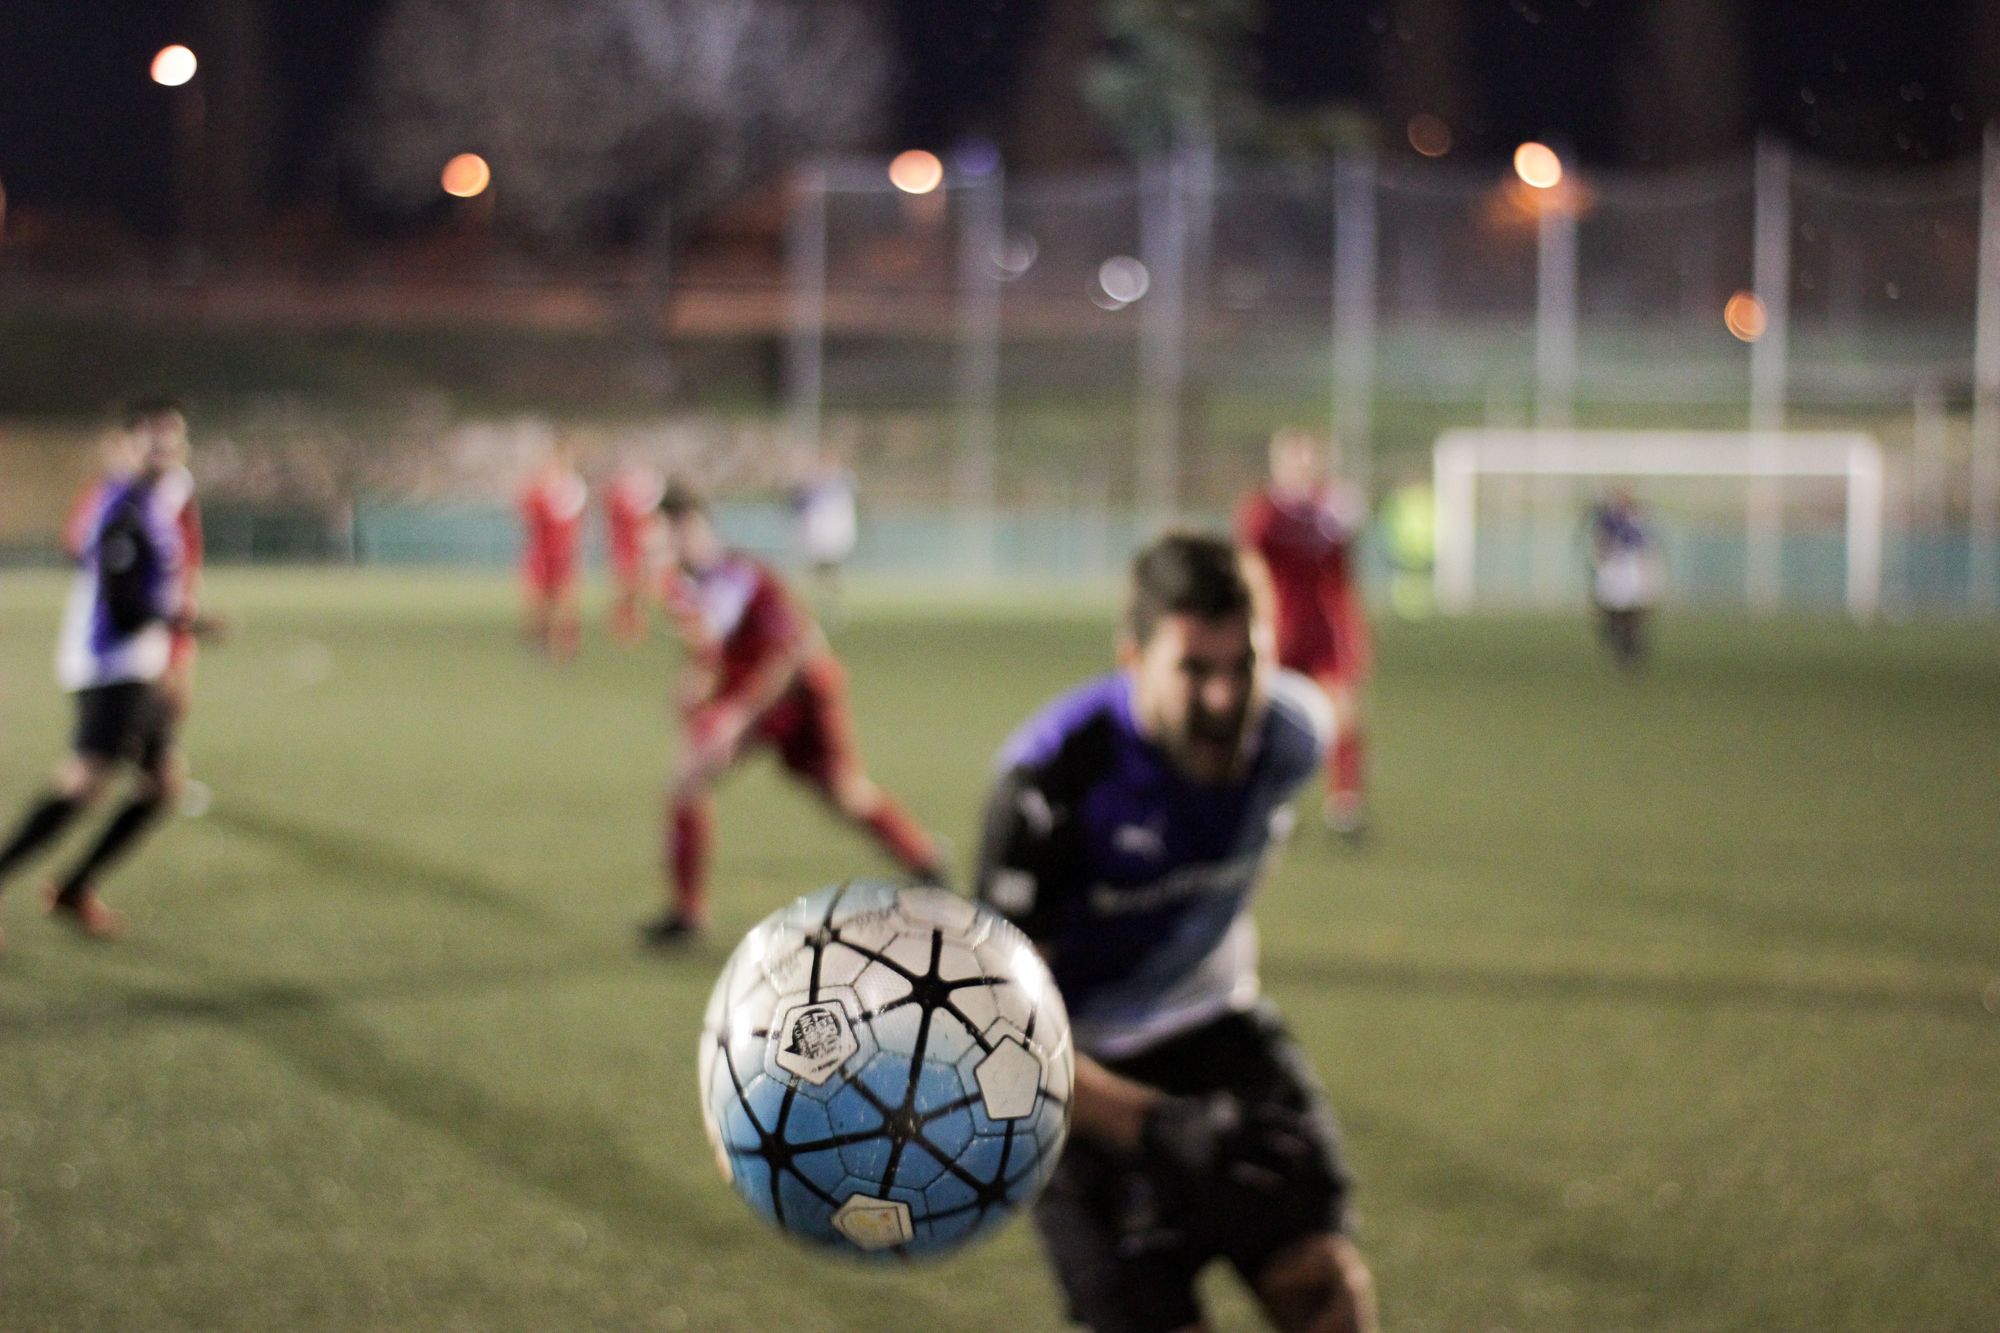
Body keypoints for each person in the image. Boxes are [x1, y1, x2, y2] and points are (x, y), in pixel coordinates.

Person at [974, 531, 1377, 1333]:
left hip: (1219, 1031)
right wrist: (1152, 1123)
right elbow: (1001, 1032)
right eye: (1195, 669)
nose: (1225, 698)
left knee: (1325, 1289)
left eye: (1245, 667)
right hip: (1076, 1074)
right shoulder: (1052, 781)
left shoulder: (1294, 737)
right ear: (1133, 656)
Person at [643, 480, 943, 943]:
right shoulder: (683, 587)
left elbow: (789, 652)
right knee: (687, 777)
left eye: (671, 530)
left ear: (693, 526)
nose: (665, 542)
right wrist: (699, 683)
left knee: (844, 793)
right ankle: (687, 914)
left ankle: (924, 860)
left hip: (804, 692)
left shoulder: (742, 575)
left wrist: (735, 717)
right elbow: (717, 651)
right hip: (755, 698)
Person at [0, 401, 224, 947]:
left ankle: (74, 889)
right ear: (125, 445)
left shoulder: (158, 500)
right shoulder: (121, 505)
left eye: (171, 440)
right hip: (108, 664)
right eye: (150, 440)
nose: (162, 450)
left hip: (138, 665)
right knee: (83, 783)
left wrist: (175, 649)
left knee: (161, 785)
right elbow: (123, 606)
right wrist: (186, 623)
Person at [1236, 427, 1373, 840]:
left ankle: (1345, 805)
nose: (1304, 465)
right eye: (1295, 457)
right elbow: (1251, 568)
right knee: (1265, 719)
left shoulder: (1334, 509)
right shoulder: (1262, 511)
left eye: (1310, 457)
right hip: (1278, 630)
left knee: (1343, 714)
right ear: (1278, 463)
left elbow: (1343, 574)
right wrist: (1254, 624)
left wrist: (1354, 626)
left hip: (1323, 631)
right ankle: (1273, 804)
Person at [518, 441, 587, 660]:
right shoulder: (538, 489)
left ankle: (567, 644)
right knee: (540, 603)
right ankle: (542, 642)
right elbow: (528, 517)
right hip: (541, 553)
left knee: (565, 601)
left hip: (563, 555)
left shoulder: (575, 488)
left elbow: (575, 522)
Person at [1586, 485, 1658, 670]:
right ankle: (1617, 638)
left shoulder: (1638, 517)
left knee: (1634, 605)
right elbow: (1601, 540)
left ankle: (1631, 643)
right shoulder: (1607, 519)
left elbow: (1645, 541)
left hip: (1632, 562)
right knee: (1610, 603)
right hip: (1613, 562)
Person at [789, 447, 858, 623]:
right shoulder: (811, 482)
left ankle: (833, 605)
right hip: (814, 532)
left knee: (830, 570)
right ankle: (814, 606)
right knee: (815, 570)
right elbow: (795, 502)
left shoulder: (841, 480)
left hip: (833, 533)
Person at [603, 456, 666, 645]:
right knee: (627, 589)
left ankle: (636, 625)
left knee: (642, 589)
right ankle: (623, 624)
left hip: (642, 550)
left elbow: (652, 521)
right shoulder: (620, 497)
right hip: (624, 549)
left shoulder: (645, 498)